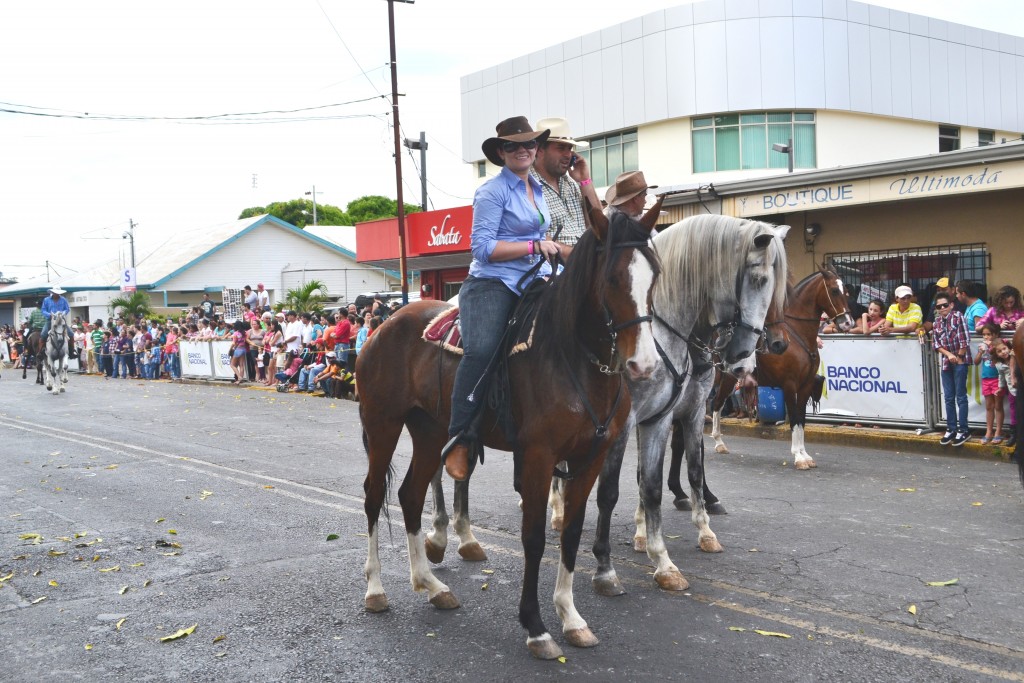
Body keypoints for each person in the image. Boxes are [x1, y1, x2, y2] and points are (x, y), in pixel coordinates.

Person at [443, 115, 554, 481]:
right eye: (513, 145)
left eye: (529, 144)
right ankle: (460, 438)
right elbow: (483, 247)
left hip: (535, 278)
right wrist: (535, 245)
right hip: (493, 283)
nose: (522, 150)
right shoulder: (492, 191)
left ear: (537, 149)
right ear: (502, 153)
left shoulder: (538, 189)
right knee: (483, 349)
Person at [531, 117, 602, 251]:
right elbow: (531, 235)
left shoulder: (571, 183)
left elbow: (599, 225)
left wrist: (584, 180)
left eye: (570, 148)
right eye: (561, 148)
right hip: (554, 267)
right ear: (539, 150)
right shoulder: (527, 185)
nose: (568, 154)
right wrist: (578, 258)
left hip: (585, 261)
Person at [931, 291, 972, 447]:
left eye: (945, 305)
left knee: (960, 396)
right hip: (947, 363)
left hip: (960, 362)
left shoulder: (958, 317)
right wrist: (949, 355)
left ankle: (963, 429)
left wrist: (958, 357)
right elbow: (936, 344)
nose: (942, 308)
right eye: (939, 306)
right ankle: (951, 428)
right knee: (948, 397)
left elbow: (964, 339)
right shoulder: (936, 322)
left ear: (951, 305)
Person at [975, 323, 1003, 445]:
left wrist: (991, 348)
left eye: (988, 334)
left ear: (995, 335)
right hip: (986, 379)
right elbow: (976, 362)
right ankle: (988, 431)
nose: (986, 337)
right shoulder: (981, 346)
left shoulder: (998, 345)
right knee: (989, 406)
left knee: (998, 406)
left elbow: (1002, 358)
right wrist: (981, 352)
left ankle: (998, 432)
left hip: (997, 379)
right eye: (984, 335)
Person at [992, 339, 1017, 448]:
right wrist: (1000, 387)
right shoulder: (999, 365)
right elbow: (1001, 377)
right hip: (1012, 391)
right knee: (1013, 411)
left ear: (1008, 347)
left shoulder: (1016, 356)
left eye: (1004, 348)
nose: (1003, 352)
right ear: (996, 354)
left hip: (1020, 388)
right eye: (999, 351)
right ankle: (1014, 434)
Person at [40, 286, 77, 357]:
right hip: (50, 320)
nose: (57, 294)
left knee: (71, 334)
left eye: (58, 293)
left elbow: (67, 309)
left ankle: (72, 351)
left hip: (61, 320)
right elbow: (43, 310)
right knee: (43, 334)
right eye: (55, 293)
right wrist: (50, 315)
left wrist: (63, 313)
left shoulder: (63, 299)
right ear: (52, 292)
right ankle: (41, 351)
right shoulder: (46, 300)